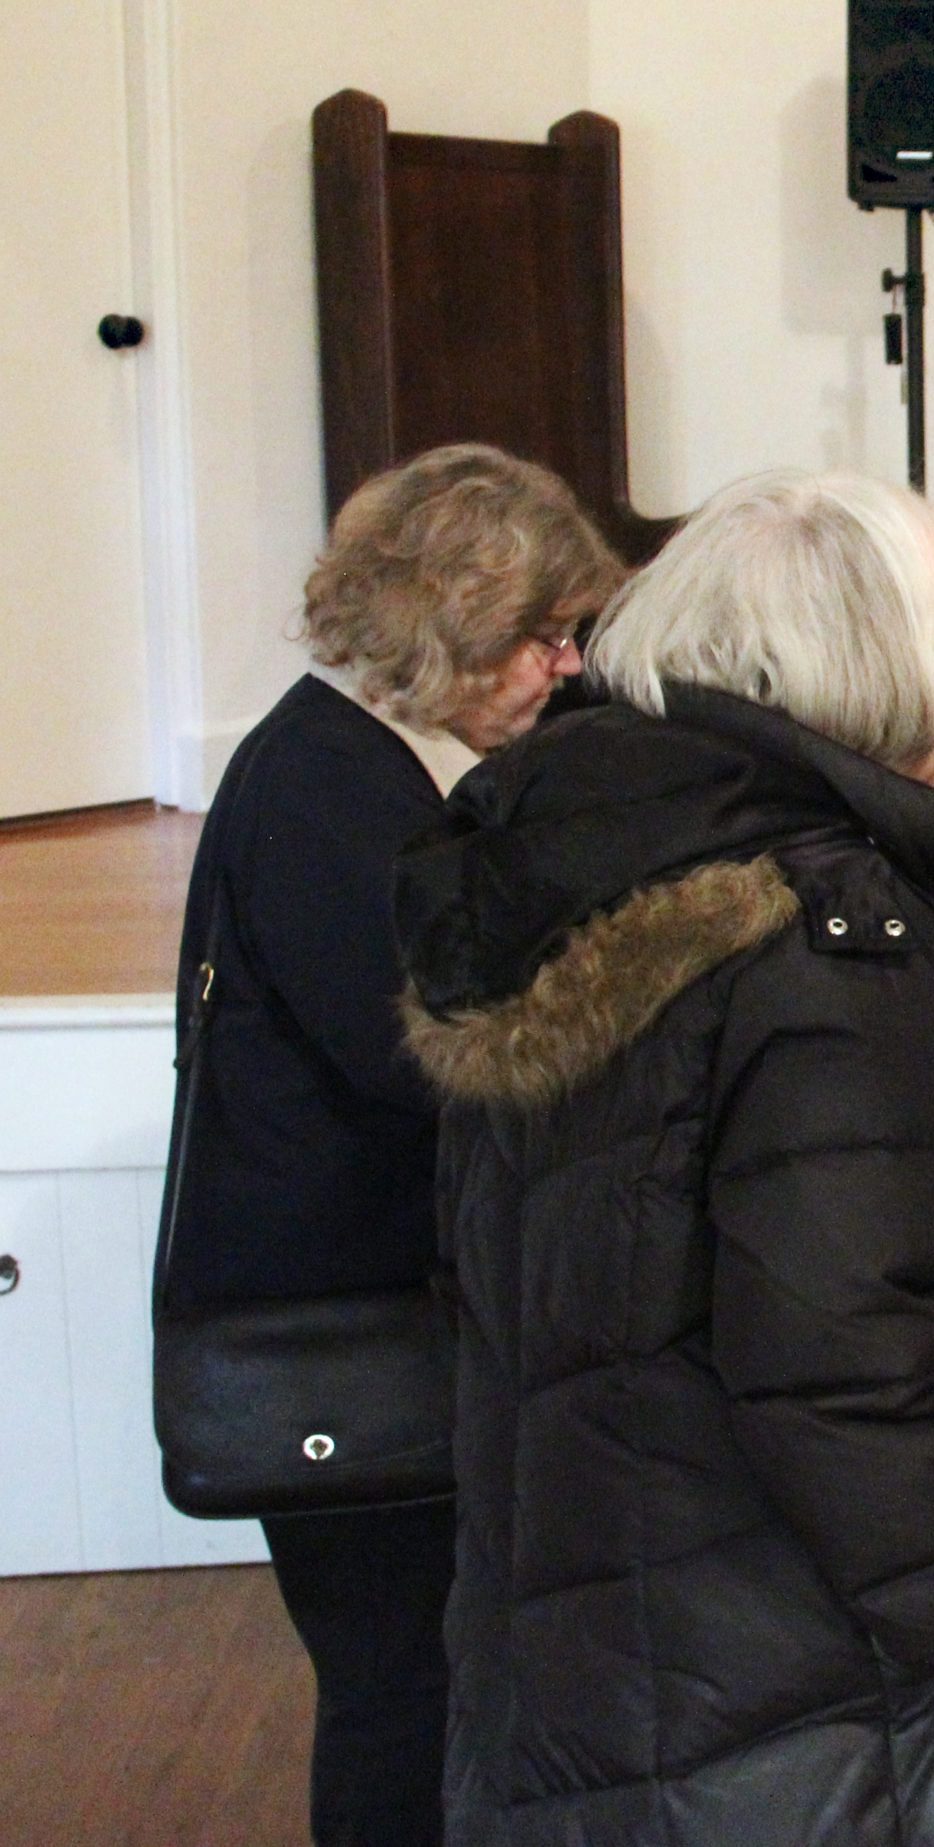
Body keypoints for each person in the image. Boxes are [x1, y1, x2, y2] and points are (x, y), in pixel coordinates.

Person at [393, 468, 934, 1847]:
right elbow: (851, 1382)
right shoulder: (830, 949)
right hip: (824, 1734)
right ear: (873, 663)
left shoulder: (569, 877)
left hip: (595, 1698)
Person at [165, 443, 622, 1847]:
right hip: (341, 1326)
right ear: (451, 626)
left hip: (360, 1308)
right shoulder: (327, 789)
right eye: (544, 637)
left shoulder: (351, 763)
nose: (565, 667)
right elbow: (432, 1061)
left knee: (422, 1679)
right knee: (398, 1691)